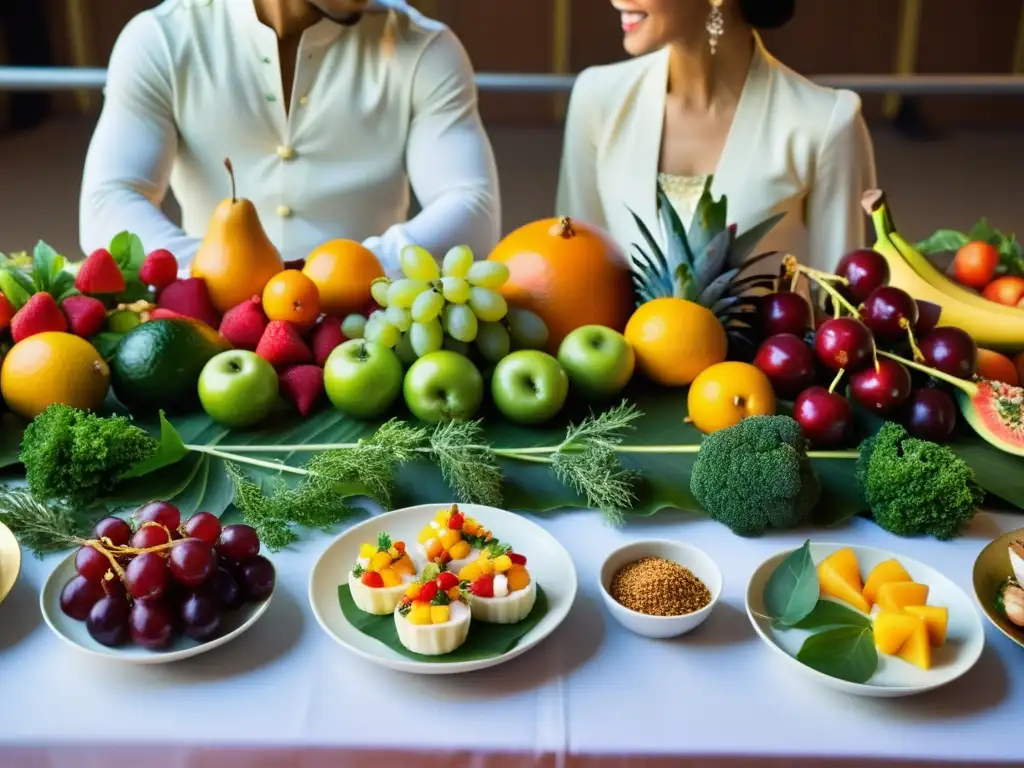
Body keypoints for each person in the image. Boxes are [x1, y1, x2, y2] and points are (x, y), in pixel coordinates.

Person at [79, 0, 500, 275]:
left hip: (370, 336)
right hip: (206, 336)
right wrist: (214, 276)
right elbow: (109, 202)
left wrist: (349, 273)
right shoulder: (161, 38)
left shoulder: (429, 48)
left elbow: (472, 208)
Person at [556, 0, 876, 273]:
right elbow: (573, 267)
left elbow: (843, 311)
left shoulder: (825, 122)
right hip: (617, 345)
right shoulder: (598, 98)